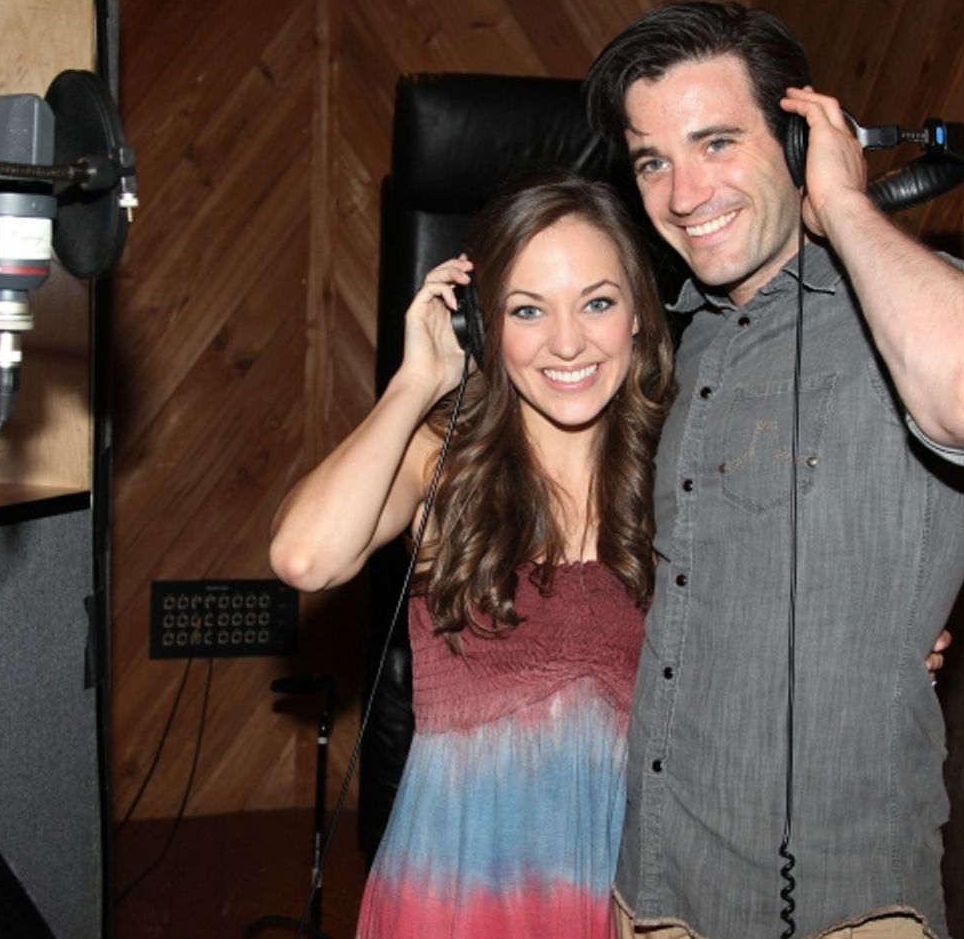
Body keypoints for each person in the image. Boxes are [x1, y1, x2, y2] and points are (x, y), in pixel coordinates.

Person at [584, 1, 964, 939]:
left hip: (837, 904)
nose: (684, 194)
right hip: (654, 885)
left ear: (801, 144)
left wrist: (842, 205)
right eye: (653, 160)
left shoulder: (916, 314)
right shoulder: (693, 344)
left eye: (717, 142)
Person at [269, 172, 676, 938]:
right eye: (527, 310)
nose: (566, 342)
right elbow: (304, 558)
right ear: (483, 328)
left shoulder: (686, 467)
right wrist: (415, 381)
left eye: (597, 302)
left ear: (637, 318)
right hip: (454, 892)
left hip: (630, 886)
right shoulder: (438, 459)